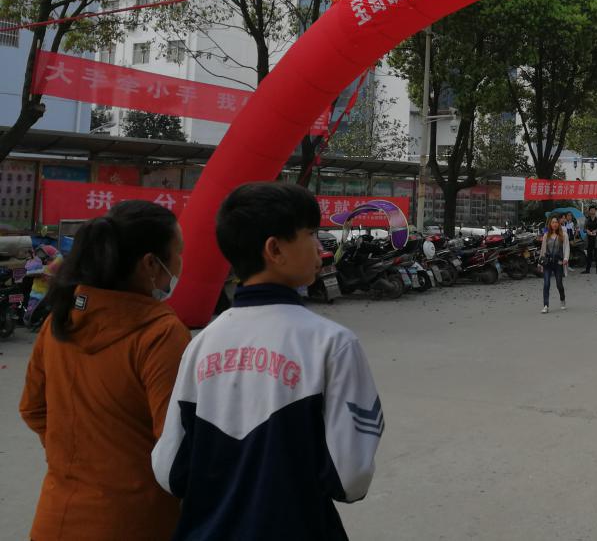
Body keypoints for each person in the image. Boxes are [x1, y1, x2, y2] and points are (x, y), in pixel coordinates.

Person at [153, 182, 381, 540]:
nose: (320, 247)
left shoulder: (201, 344)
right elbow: (350, 478)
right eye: (311, 233)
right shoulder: (333, 344)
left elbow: (169, 470)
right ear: (275, 249)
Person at [20, 201, 190, 541]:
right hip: (134, 523)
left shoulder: (60, 321)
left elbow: (33, 409)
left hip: (55, 519)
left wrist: (76, 458)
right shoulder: (160, 334)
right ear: (150, 264)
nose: (181, 262)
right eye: (179, 253)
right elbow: (177, 447)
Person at [539, 215, 568, 313]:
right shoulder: (546, 235)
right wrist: (540, 263)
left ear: (558, 224)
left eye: (556, 222)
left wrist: (565, 258)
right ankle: (545, 305)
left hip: (558, 263)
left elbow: (567, 248)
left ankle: (562, 299)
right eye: (552, 222)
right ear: (550, 224)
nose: (554, 224)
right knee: (546, 284)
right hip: (547, 263)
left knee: (559, 284)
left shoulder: (563, 235)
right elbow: (543, 249)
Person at [583, 205, 597, 275]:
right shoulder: (587, 220)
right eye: (591, 210)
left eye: (593, 209)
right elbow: (584, 229)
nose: (592, 211)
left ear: (595, 211)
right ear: (589, 211)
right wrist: (587, 231)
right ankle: (587, 270)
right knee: (589, 256)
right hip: (589, 239)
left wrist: (596, 230)